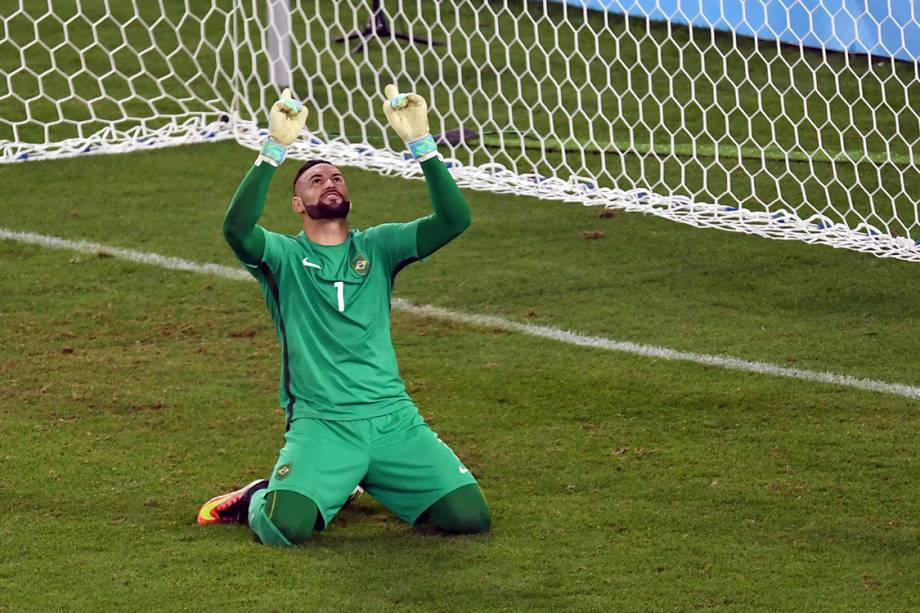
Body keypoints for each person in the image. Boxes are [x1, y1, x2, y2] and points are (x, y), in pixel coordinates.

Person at [196, 85, 491, 545]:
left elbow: (455, 220)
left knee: (470, 517)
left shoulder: (380, 246)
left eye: (336, 177)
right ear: (297, 205)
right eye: (315, 180)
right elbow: (236, 228)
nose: (329, 181)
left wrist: (422, 143)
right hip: (322, 423)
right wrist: (274, 149)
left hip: (394, 419)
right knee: (283, 529)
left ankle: (355, 480)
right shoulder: (283, 257)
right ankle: (258, 495)